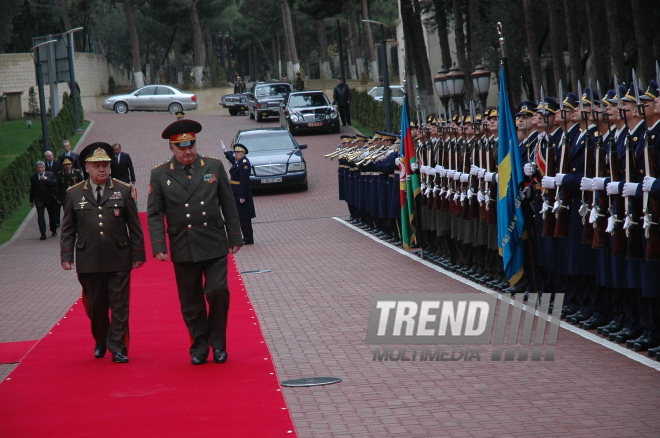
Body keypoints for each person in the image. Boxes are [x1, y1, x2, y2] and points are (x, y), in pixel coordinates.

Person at [147, 119, 243, 365]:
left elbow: (227, 203)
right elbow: (155, 213)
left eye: (191, 146)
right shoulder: (160, 174)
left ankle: (218, 343)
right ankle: (199, 346)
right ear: (172, 148)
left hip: (213, 241)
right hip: (183, 244)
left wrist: (235, 235)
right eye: (182, 148)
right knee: (191, 301)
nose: (188, 152)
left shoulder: (213, 166)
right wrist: (158, 245)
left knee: (217, 291)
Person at [60, 142, 145, 363]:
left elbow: (134, 226)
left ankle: (117, 347)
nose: (102, 170)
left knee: (119, 303)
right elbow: (68, 229)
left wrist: (138, 254)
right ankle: (101, 340)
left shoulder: (122, 190)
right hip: (88, 259)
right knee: (96, 306)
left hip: (118, 256)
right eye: (97, 165)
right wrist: (67, 256)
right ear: (86, 167)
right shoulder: (74, 193)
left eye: (105, 165)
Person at [223, 143, 256, 244]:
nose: (235, 154)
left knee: (244, 217)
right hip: (236, 192)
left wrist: (242, 196)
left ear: (243, 153)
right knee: (241, 216)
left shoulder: (244, 164)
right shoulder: (239, 162)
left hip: (241, 194)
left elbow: (244, 182)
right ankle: (246, 237)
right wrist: (226, 152)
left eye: (237, 153)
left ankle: (248, 238)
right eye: (235, 152)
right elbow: (232, 160)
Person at [29, 160, 58, 240]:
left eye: (41, 168)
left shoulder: (50, 174)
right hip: (39, 199)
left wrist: (46, 179)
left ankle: (53, 229)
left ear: (44, 168)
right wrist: (31, 200)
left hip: (49, 198)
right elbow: (32, 189)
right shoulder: (33, 177)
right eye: (38, 168)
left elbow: (54, 183)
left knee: (52, 215)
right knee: (40, 216)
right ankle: (43, 233)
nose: (40, 169)